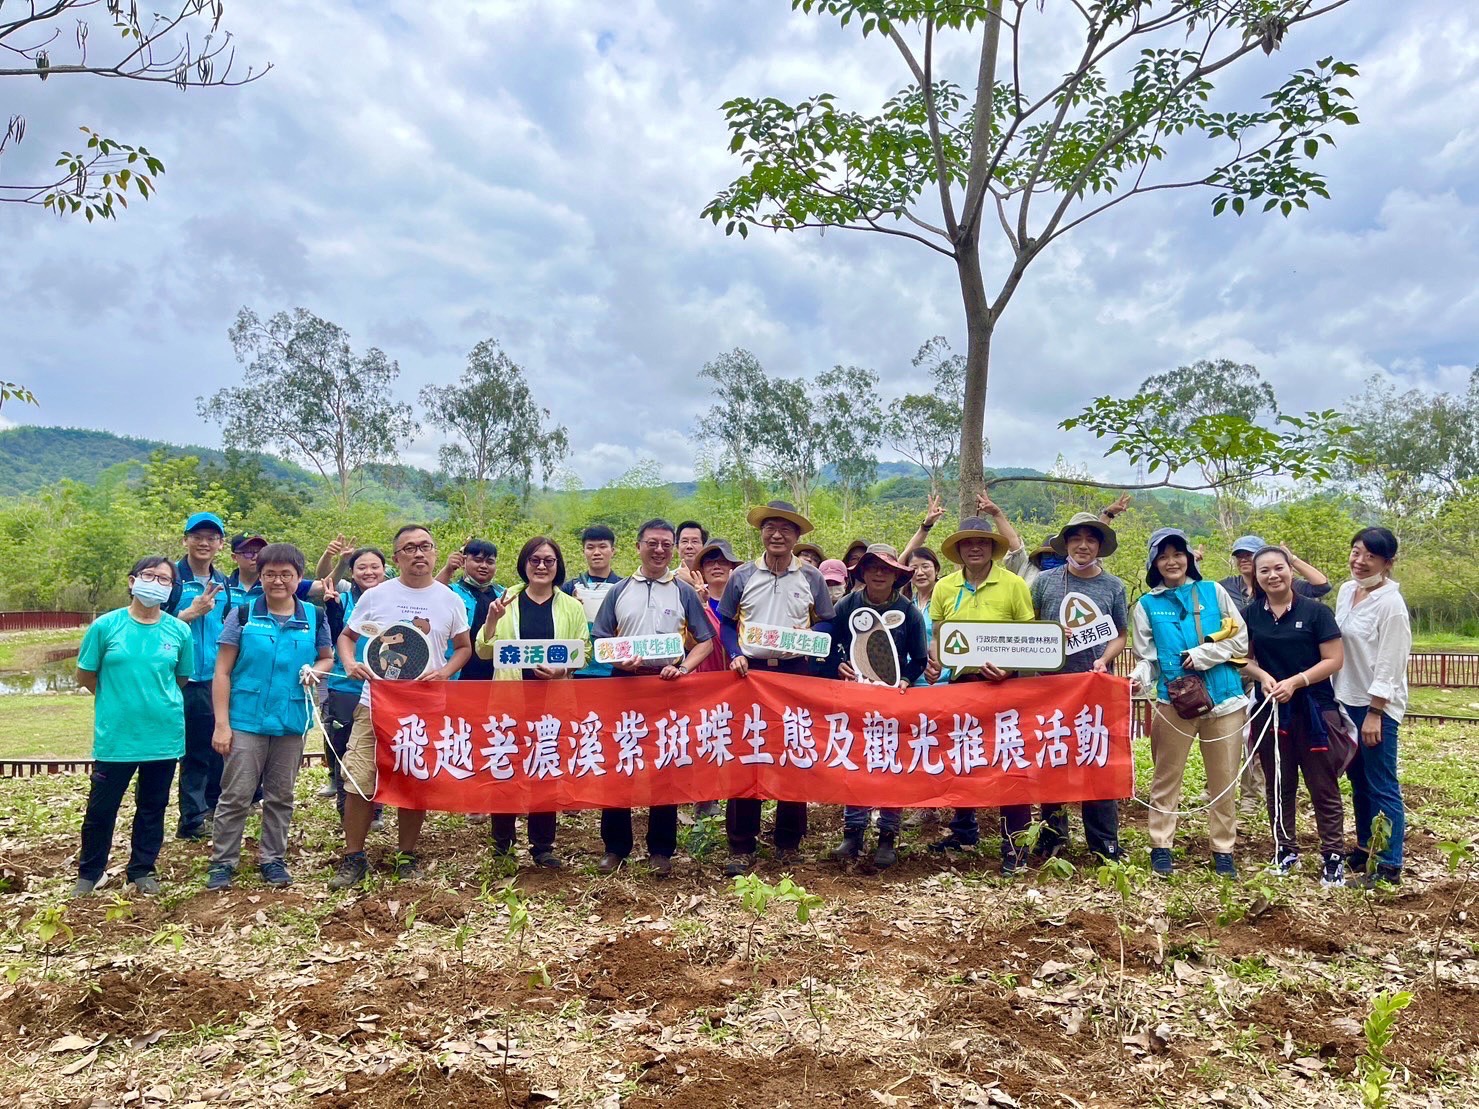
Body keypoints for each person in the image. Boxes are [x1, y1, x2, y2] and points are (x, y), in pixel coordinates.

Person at [329, 525, 472, 890]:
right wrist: (348, 663)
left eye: (425, 546)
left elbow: (463, 647)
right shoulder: (377, 595)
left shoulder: (450, 599)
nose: (418, 553)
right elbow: (347, 637)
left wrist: (445, 672)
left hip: (424, 706)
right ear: (397, 558)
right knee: (359, 780)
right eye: (409, 548)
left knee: (415, 781)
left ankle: (406, 855)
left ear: (436, 553)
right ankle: (354, 857)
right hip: (374, 702)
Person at [205, 544, 334, 890]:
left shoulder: (314, 615)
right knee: (236, 795)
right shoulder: (244, 615)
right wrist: (221, 724)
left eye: (286, 574)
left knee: (280, 795)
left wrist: (315, 671)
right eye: (270, 574)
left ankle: (272, 859)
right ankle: (223, 863)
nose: (278, 581)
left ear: (298, 577)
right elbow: (222, 672)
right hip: (245, 719)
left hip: (291, 720)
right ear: (260, 576)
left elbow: (327, 658)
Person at [718, 500, 837, 876]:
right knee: (746, 754)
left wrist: (809, 636)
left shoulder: (812, 577)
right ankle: (741, 844)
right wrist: (735, 652)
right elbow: (724, 623)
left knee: (793, 752)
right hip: (749, 674)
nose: (777, 534)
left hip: (794, 672)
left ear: (797, 536)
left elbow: (828, 623)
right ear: (761, 532)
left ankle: (788, 841)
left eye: (786, 529)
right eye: (770, 527)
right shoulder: (742, 576)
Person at [592, 519, 715, 877]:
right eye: (652, 543)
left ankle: (661, 850)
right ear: (637, 546)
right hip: (624, 685)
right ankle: (615, 847)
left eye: (666, 544)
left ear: (673, 548)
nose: (659, 550)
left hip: (667, 685)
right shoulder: (618, 590)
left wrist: (685, 669)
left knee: (666, 767)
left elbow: (704, 640)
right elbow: (600, 640)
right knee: (620, 765)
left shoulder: (683, 591)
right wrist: (618, 660)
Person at [1131, 529, 1249, 879]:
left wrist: (1203, 655)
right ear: (1154, 563)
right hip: (1173, 702)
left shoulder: (1213, 592)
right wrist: (1139, 677)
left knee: (1224, 778)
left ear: (1189, 558)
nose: (1172, 561)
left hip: (1224, 700)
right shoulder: (1147, 605)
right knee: (1166, 777)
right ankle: (1161, 845)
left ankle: (1223, 848)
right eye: (1163, 555)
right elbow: (1147, 657)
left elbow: (1239, 640)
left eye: (1177, 553)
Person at [72, 557, 194, 898]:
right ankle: (89, 872)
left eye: (164, 580)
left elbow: (179, 678)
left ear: (172, 588)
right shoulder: (105, 627)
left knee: (152, 807)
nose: (155, 584)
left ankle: (142, 870)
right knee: (101, 809)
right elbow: (86, 674)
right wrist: (117, 698)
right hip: (117, 736)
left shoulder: (179, 630)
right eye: (149, 576)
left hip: (163, 735)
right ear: (132, 581)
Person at [1015, 513, 1129, 863]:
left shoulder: (1113, 586)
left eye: (1090, 540)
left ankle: (1104, 842)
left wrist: (1103, 659)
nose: (1083, 545)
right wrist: (1051, 632)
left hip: (1094, 687)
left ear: (1099, 547)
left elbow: (1121, 633)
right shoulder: (1045, 581)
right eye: (1076, 539)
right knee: (1053, 758)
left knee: (1099, 761)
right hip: (1051, 687)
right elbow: (1029, 623)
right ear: (1066, 544)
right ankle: (1051, 836)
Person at [925, 515, 1035, 872]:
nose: (975, 548)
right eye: (968, 543)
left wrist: (1009, 667)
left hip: (1004, 686)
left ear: (993, 547)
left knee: (1010, 759)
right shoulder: (944, 587)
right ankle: (963, 830)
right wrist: (934, 661)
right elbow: (939, 637)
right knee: (963, 757)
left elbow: (1029, 637)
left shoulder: (1014, 584)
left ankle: (1015, 845)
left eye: (982, 542)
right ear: (958, 550)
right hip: (961, 686)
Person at [474, 536, 589, 868]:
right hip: (510, 700)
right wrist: (493, 620)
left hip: (552, 702)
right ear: (524, 564)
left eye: (548, 561)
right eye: (535, 560)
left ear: (558, 566)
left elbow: (584, 650)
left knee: (546, 771)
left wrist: (562, 667)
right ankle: (503, 845)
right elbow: (484, 651)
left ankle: (542, 845)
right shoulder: (505, 599)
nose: (541, 566)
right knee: (505, 770)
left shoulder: (571, 606)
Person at [1241, 546, 1348, 887]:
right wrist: (1262, 677)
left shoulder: (1316, 612)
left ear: (1291, 570)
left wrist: (1297, 681)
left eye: (1278, 568)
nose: (1272, 576)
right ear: (1255, 577)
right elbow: (1243, 658)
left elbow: (1333, 659)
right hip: (1270, 710)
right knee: (1278, 783)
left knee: (1323, 785)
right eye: (1264, 571)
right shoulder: (1251, 614)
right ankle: (1284, 849)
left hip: (1315, 710)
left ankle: (1333, 856)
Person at [825, 544, 927, 869]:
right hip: (854, 699)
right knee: (855, 760)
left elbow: (920, 659)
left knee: (889, 761)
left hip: (893, 701)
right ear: (862, 572)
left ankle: (887, 834)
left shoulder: (908, 611)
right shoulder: (846, 606)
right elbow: (830, 644)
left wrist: (906, 681)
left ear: (896, 574)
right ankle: (853, 831)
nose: (879, 573)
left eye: (886, 568)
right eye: (872, 568)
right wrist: (837, 664)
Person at [1334, 527, 1409, 887]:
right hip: (1346, 699)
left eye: (1370, 556)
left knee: (1381, 784)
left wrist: (1377, 711)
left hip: (1375, 706)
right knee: (1358, 780)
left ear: (1387, 563)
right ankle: (1364, 848)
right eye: (1356, 552)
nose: (1359, 562)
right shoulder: (1348, 591)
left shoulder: (1391, 605)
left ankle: (1388, 864)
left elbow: (1390, 662)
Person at [164, 511, 236, 842]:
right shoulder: (170, 580)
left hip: (216, 679)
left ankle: (211, 808)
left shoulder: (225, 585)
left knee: (217, 747)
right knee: (191, 750)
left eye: (211, 538)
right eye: (197, 536)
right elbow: (152, 625)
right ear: (185, 540)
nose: (204, 543)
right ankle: (191, 819)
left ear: (220, 544)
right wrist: (189, 614)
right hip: (181, 679)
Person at [321, 546, 387, 822]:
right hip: (347, 685)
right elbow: (337, 637)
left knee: (379, 748)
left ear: (385, 570)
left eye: (375, 566)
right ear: (352, 572)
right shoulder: (343, 599)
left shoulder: (392, 600)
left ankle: (376, 808)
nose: (369, 572)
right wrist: (333, 609)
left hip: (384, 686)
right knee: (344, 747)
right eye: (362, 567)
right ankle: (345, 809)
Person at [436, 539, 505, 681]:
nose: (484, 566)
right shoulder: (452, 592)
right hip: (458, 675)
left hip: (495, 677)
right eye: (478, 560)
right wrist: (448, 569)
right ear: (464, 561)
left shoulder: (503, 595)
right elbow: (429, 597)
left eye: (490, 562)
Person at [564, 525, 621, 679]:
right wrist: (571, 606)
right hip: (578, 668)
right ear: (584, 551)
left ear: (613, 551)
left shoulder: (623, 587)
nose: (596, 553)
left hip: (614, 667)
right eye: (590, 547)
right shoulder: (570, 588)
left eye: (603, 547)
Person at [1218, 535, 1331, 609]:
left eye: (1248, 555)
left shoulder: (1279, 583)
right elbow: (1203, 595)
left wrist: (1292, 559)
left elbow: (1322, 586)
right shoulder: (1227, 586)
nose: (1243, 559)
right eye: (1239, 556)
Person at [693, 539, 742, 671]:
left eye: (723, 562)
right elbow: (687, 644)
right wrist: (699, 606)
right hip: (707, 682)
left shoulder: (745, 603)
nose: (716, 566)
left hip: (741, 679)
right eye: (710, 563)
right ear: (702, 570)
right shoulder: (692, 601)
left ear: (733, 568)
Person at [675, 520, 709, 590]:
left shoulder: (713, 579)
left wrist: (691, 582)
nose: (689, 546)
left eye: (695, 541)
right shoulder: (668, 578)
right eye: (684, 541)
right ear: (677, 547)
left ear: (704, 547)